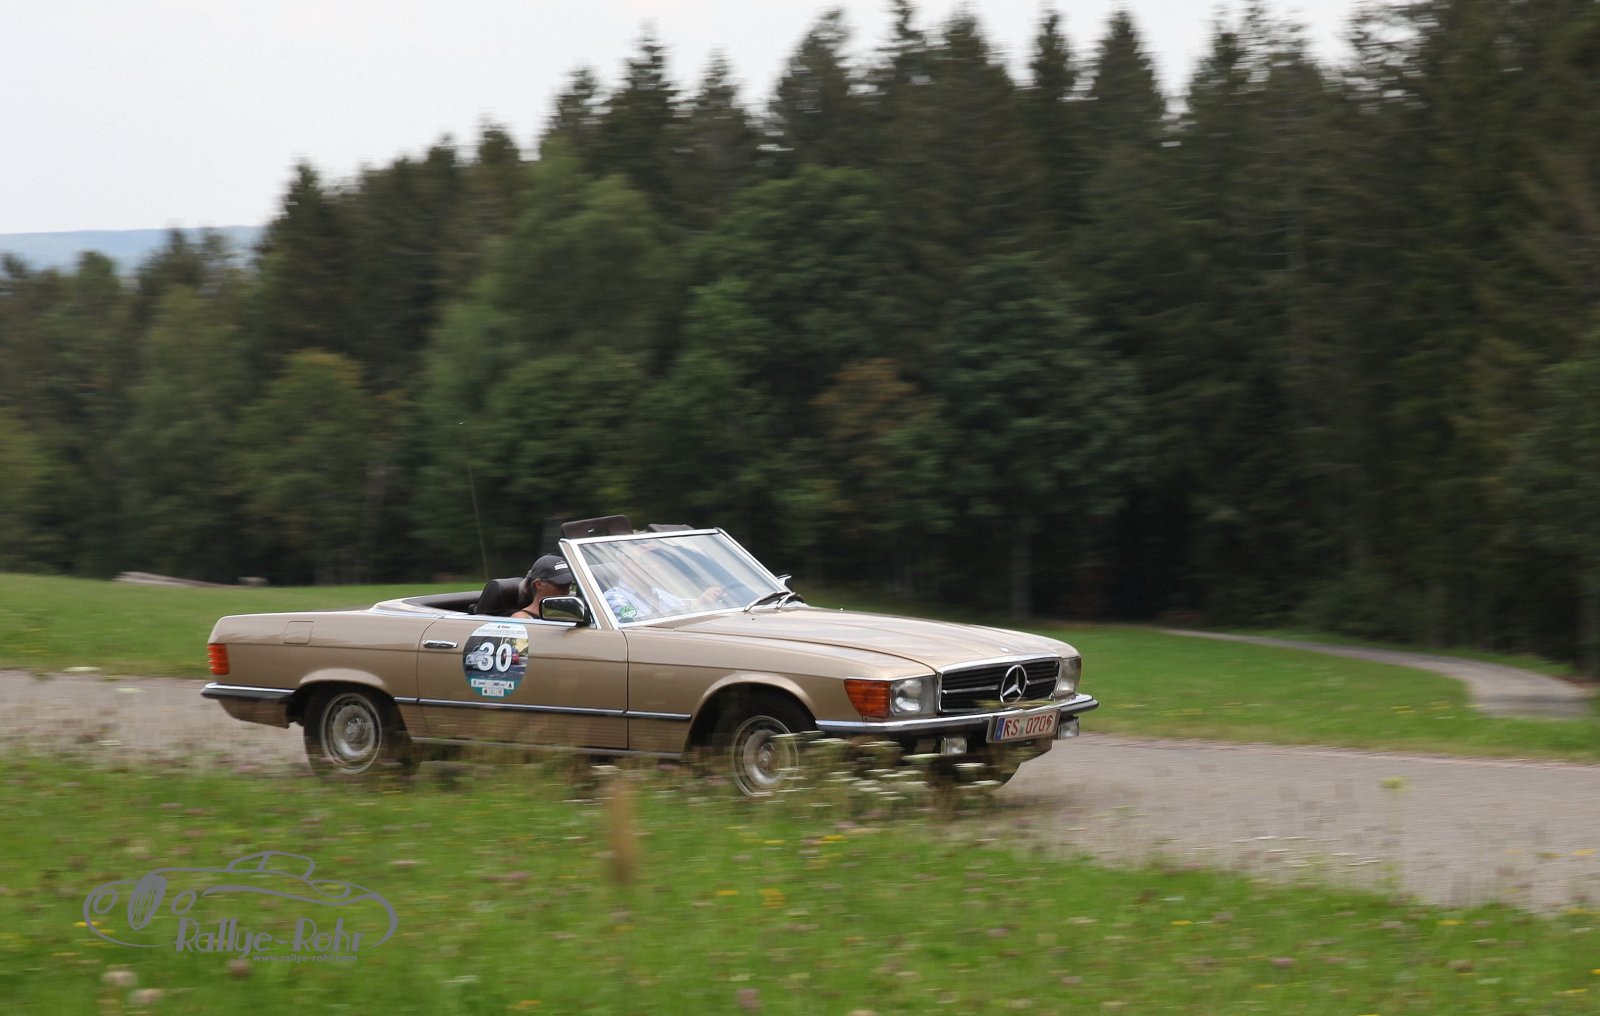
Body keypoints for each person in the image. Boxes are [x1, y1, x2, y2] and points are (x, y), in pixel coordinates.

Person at [511, 555, 576, 619]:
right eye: (560, 585)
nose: (567, 591)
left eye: (568, 585)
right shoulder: (522, 618)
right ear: (539, 584)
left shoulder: (567, 615)